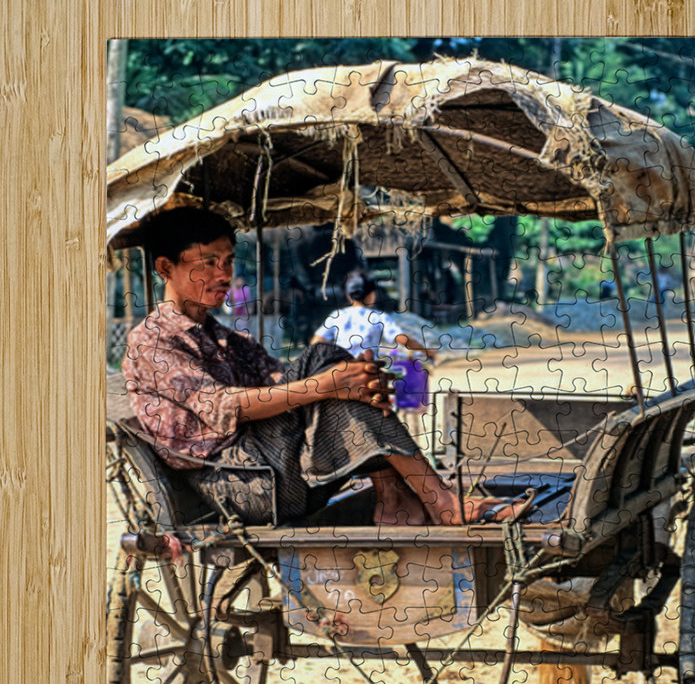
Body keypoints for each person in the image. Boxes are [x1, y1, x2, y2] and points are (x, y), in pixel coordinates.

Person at [124, 208, 528, 527]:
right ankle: (439, 503)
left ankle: (394, 498)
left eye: (228, 261)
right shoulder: (153, 341)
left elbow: (281, 378)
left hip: (276, 467)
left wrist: (347, 380)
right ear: (166, 268)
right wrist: (327, 384)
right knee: (327, 367)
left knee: (334, 365)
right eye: (208, 262)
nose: (224, 274)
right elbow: (226, 406)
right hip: (242, 485)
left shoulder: (225, 336)